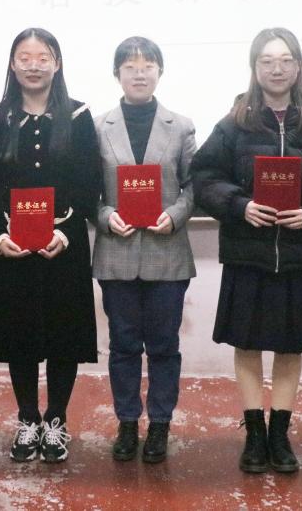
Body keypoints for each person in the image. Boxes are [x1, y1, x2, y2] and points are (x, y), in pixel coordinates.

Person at [191, 27, 302, 474]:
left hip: (300, 254)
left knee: (290, 347)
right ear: (254, 67)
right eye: (267, 60)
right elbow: (203, 177)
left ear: (298, 66)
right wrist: (239, 205)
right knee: (247, 345)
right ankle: (254, 434)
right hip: (247, 252)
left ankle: (280, 434)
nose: (277, 68)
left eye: (285, 60)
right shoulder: (234, 123)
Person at [0, 27, 102, 463]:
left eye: (43, 57)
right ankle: (27, 418)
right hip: (13, 249)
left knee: (62, 337)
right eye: (24, 57)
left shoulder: (78, 115)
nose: (33, 66)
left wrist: (64, 233)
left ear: (57, 63)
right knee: (20, 337)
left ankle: (55, 421)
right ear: (12, 64)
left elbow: (89, 183)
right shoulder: (1, 117)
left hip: (63, 247)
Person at [92, 37, 196, 464]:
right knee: (122, 346)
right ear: (116, 74)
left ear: (160, 72)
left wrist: (175, 214)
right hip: (116, 254)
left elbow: (194, 185)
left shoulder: (181, 126)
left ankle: (160, 424)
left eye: (148, 65)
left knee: (164, 346)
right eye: (130, 66)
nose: (139, 73)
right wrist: (104, 216)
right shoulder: (97, 126)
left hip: (167, 252)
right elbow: (88, 191)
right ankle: (127, 422)